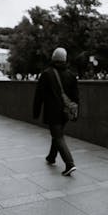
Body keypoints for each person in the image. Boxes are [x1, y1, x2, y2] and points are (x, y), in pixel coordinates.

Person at [33, 47, 78, 176]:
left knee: (58, 136)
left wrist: (36, 112)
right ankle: (51, 157)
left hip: (52, 112)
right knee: (57, 134)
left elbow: (39, 95)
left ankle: (69, 163)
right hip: (65, 112)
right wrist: (74, 113)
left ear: (53, 58)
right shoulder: (71, 75)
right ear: (65, 60)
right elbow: (76, 97)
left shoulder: (47, 74)